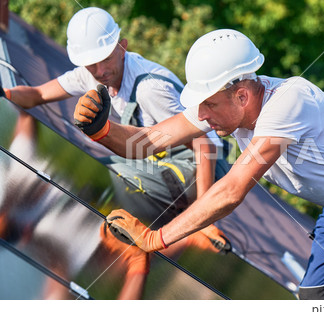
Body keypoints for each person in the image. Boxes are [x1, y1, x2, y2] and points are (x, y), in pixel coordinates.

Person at [73, 28, 324, 300]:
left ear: (243, 94)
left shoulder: (290, 102)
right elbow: (147, 141)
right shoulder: (225, 103)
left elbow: (232, 190)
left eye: (209, 105)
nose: (201, 115)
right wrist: (101, 129)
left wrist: (157, 238)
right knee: (316, 300)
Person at [0, 7, 230, 251]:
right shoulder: (90, 75)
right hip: (166, 157)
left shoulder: (150, 88)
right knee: (112, 163)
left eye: (106, 59)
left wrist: (205, 212)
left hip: (204, 166)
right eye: (91, 64)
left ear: (123, 47)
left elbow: (204, 145)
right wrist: (5, 94)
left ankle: (183, 230)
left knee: (121, 173)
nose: (100, 71)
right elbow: (37, 94)